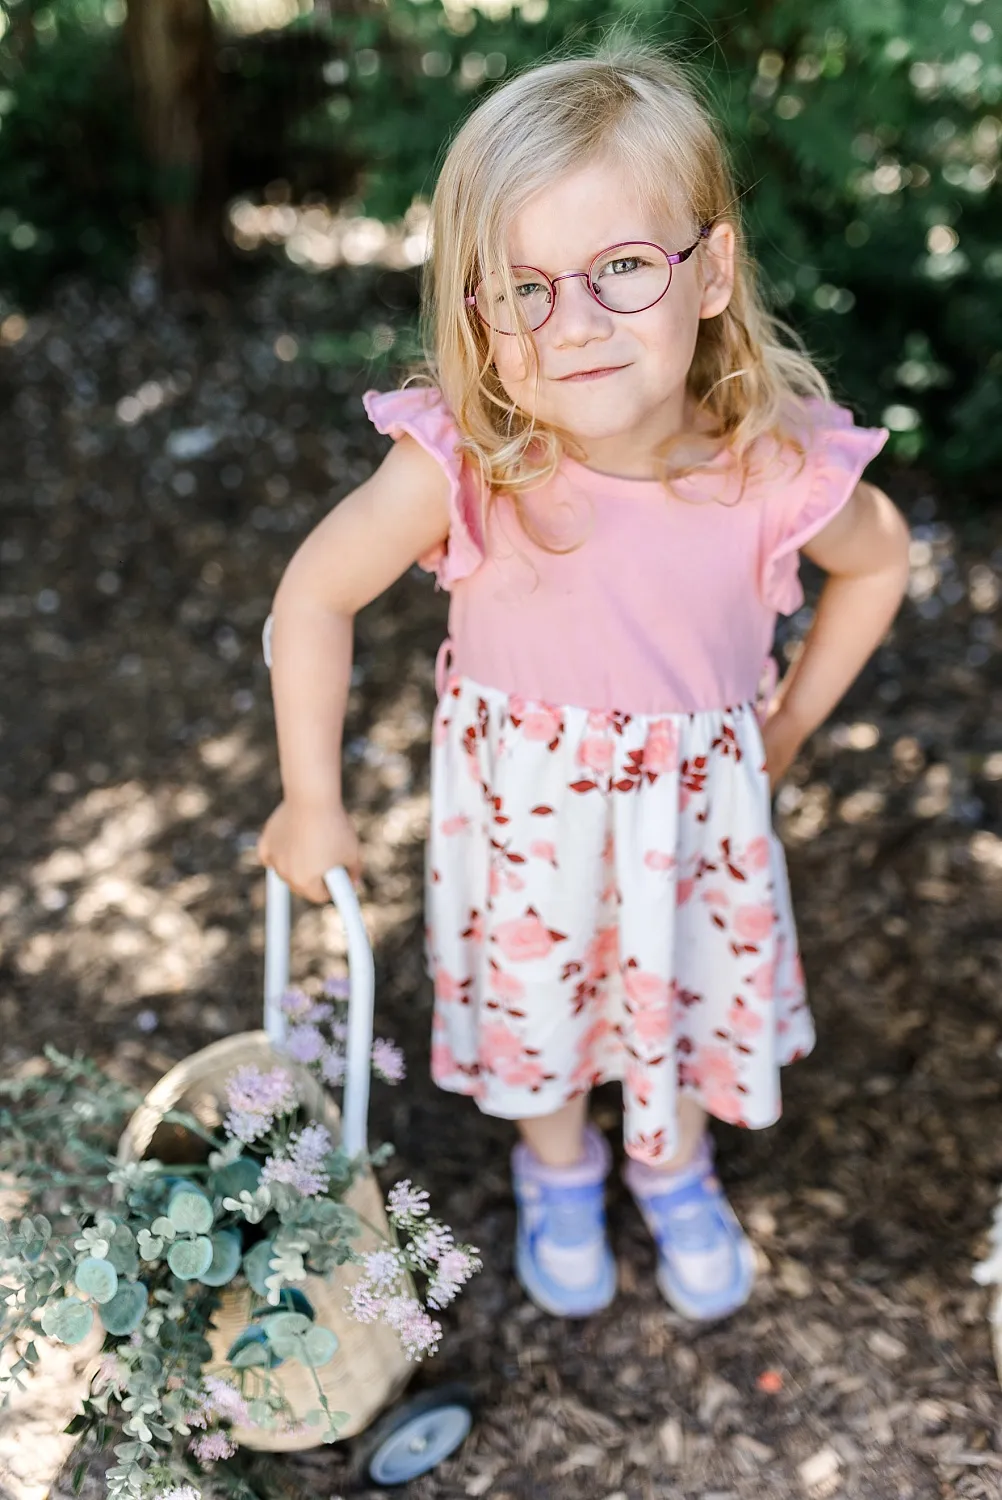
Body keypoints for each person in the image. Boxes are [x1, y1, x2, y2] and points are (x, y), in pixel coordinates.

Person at [258, 40, 911, 1324]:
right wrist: (309, 797)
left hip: (691, 839)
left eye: (620, 268)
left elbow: (880, 559)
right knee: (539, 1010)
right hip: (527, 838)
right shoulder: (464, 467)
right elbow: (313, 595)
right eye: (523, 288)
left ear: (708, 271)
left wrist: (787, 724)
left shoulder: (770, 472)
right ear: (477, 316)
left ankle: (672, 1161)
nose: (574, 324)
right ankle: (559, 1165)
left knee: (683, 991)